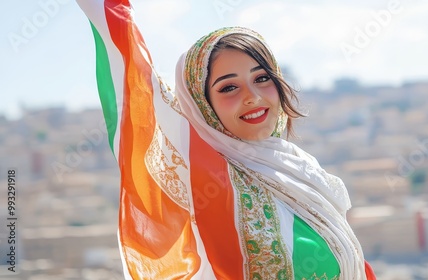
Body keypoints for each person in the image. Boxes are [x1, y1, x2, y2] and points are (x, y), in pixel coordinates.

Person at [77, 0, 376, 279]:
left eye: (261, 78)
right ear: (203, 105)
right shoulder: (207, 176)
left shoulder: (302, 168)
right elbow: (138, 84)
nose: (253, 97)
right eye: (228, 88)